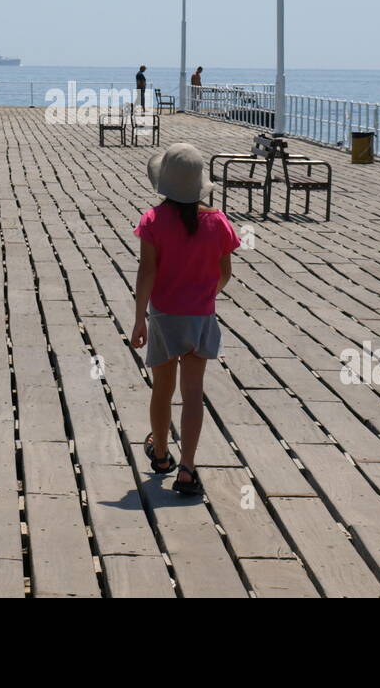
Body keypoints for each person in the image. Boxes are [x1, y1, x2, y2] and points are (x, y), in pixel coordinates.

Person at [132, 143, 241, 498]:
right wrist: (204, 295)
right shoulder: (217, 221)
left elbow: (146, 272)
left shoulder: (153, 220)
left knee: (162, 389)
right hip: (201, 317)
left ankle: (161, 455)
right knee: (193, 394)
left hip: (164, 317)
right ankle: (188, 469)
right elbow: (225, 274)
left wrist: (139, 320)